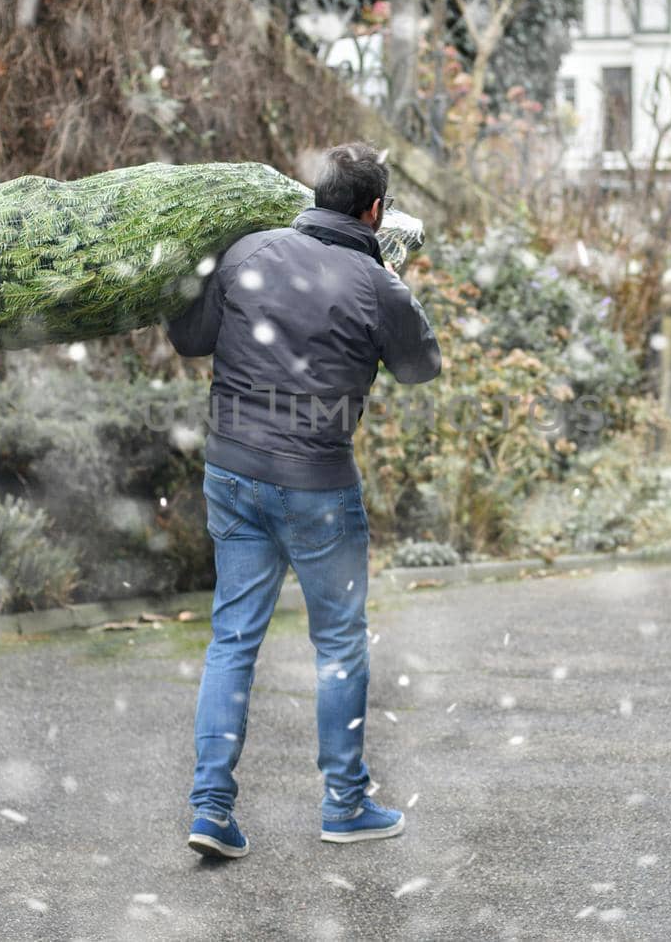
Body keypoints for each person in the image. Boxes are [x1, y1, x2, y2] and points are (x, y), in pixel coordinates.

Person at [166, 142, 442, 859]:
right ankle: (345, 804)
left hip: (233, 473)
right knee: (340, 648)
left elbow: (190, 338)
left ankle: (211, 807)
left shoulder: (248, 251)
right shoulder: (376, 282)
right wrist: (391, 286)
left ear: (313, 192)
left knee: (232, 639)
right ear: (375, 211)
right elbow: (420, 366)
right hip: (318, 484)